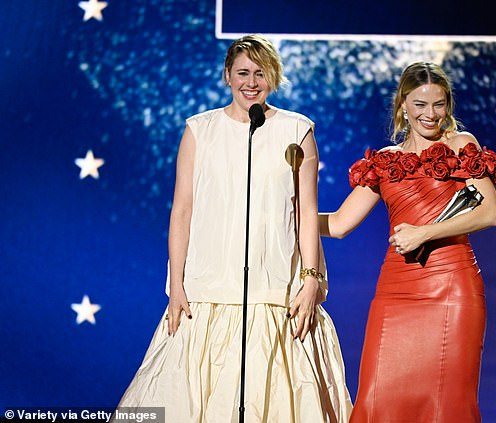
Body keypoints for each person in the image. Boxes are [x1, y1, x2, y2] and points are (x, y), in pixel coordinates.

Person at [116, 34, 352, 422]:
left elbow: (306, 213)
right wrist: (176, 284)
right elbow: (182, 212)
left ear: (273, 78)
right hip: (207, 290)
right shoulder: (199, 130)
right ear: (227, 75)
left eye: (261, 73)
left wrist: (310, 279)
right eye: (242, 72)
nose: (251, 82)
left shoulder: (297, 130)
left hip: (276, 288)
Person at [319, 62, 496, 422]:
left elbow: (488, 212)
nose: (430, 114)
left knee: (446, 405)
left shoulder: (460, 145)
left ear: (448, 106)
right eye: (420, 104)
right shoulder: (385, 160)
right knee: (377, 401)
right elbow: (340, 224)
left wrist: (423, 232)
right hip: (396, 294)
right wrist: (284, 218)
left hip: (451, 289)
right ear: (403, 105)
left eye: (438, 104)